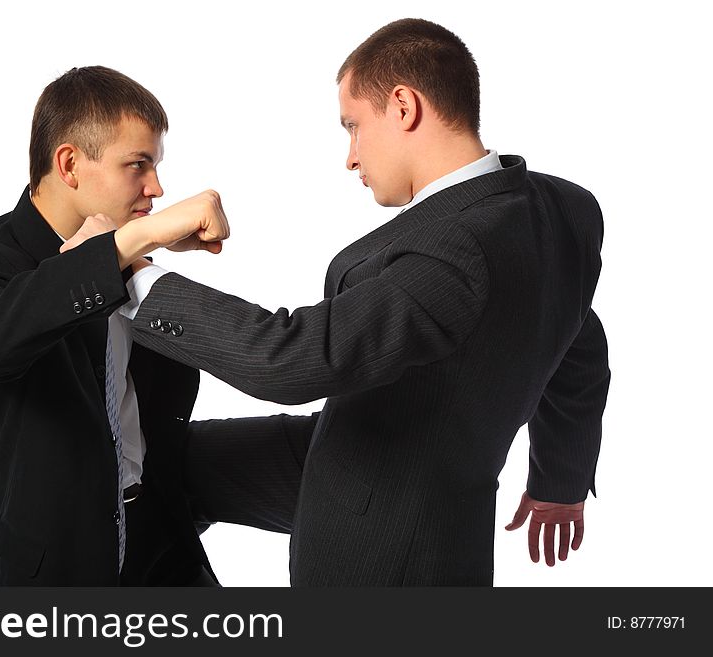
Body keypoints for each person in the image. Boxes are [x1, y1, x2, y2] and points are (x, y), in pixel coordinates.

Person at [66, 18, 610, 586]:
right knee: (159, 466)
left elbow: (295, 361)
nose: (351, 157)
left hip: (393, 532)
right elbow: (577, 341)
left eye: (354, 126)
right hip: (350, 447)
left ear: (403, 106)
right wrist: (560, 480)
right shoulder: (561, 207)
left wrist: (128, 272)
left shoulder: (459, 249)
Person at [0, 66, 230, 586]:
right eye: (138, 165)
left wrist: (132, 251)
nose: (156, 188)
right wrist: (130, 243)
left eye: (156, 166)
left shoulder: (126, 256)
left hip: (159, 547)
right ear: (69, 164)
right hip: (49, 569)